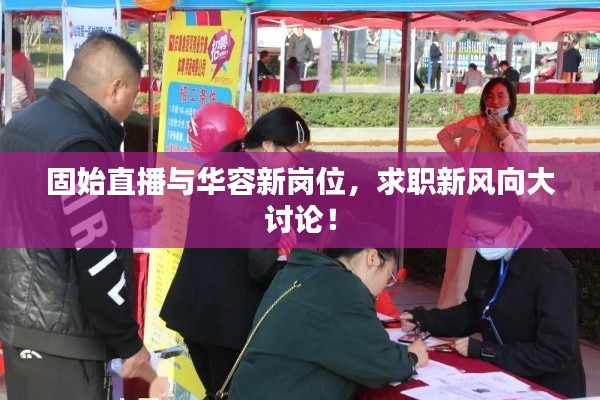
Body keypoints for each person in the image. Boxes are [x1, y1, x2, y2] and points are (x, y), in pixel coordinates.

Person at [0, 32, 154, 399]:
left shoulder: (27, 121)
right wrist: (127, 341)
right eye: (133, 97)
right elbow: (97, 260)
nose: (131, 108)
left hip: (21, 322)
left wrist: (118, 209)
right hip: (63, 335)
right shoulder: (80, 145)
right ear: (115, 88)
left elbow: (38, 208)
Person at [160, 107, 311, 399]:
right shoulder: (259, 186)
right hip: (228, 320)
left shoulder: (219, 165)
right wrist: (300, 276)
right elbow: (262, 265)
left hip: (194, 307)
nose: (296, 165)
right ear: (268, 145)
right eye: (293, 155)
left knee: (215, 391)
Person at [400, 191, 586, 398]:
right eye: (474, 236)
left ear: (517, 225)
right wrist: (424, 320)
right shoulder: (491, 254)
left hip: (547, 388)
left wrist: (485, 351)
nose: (481, 244)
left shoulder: (550, 270)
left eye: (487, 236)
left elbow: (555, 352)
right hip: (503, 378)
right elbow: (475, 311)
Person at [228, 235, 428, 400]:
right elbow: (381, 364)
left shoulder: (298, 272)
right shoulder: (343, 289)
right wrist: (412, 357)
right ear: (372, 258)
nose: (385, 284)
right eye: (389, 275)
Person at [436, 77, 528, 309]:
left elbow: (523, 167)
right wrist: (460, 158)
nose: (495, 101)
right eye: (490, 96)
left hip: (503, 203)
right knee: (461, 261)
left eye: (501, 96)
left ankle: (494, 313)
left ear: (510, 100)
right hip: (472, 198)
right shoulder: (472, 122)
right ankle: (451, 311)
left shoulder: (517, 130)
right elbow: (444, 135)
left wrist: (505, 136)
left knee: (500, 262)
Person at [1, 28, 36, 104]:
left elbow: (20, 94)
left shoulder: (14, 62)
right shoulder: (21, 59)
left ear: (5, 44)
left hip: (15, 110)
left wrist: (27, 109)